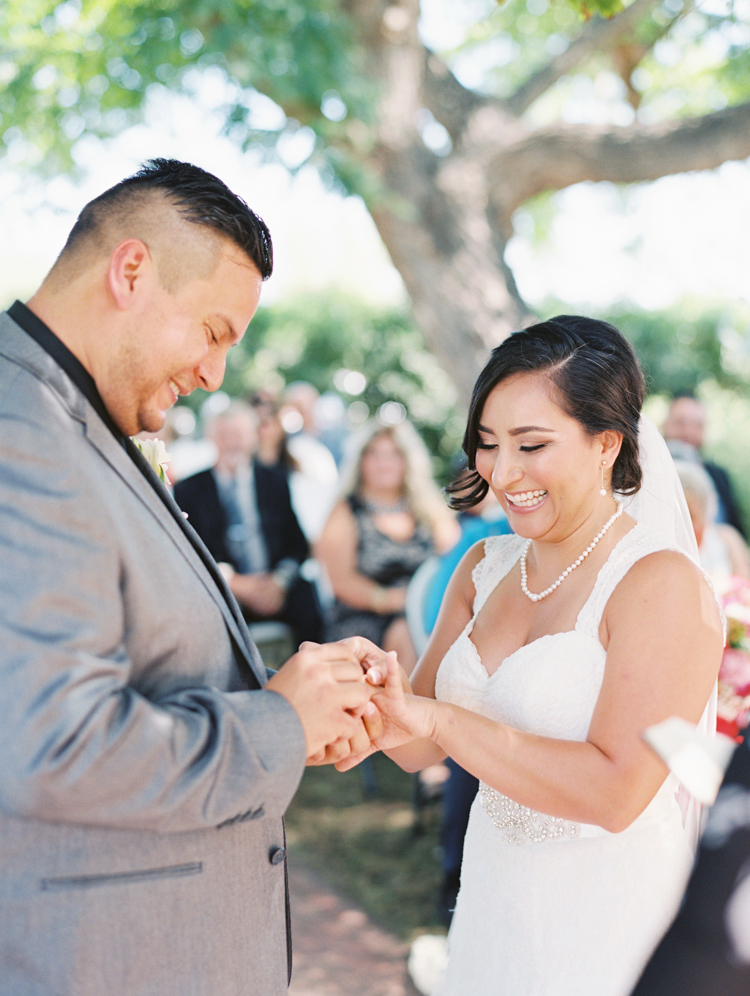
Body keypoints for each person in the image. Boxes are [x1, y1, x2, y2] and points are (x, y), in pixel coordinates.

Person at [0, 158, 382, 996]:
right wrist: (278, 723)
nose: (215, 375)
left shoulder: (70, 415)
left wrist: (300, 707)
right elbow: (55, 749)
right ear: (131, 270)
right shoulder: (20, 431)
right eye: (213, 331)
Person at [355, 316, 723, 996]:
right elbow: (415, 747)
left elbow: (617, 794)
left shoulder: (660, 584)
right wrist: (371, 698)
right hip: (496, 892)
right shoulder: (483, 567)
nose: (503, 471)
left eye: (531, 444)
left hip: (606, 918)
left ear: (607, 442)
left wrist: (440, 723)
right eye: (489, 445)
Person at [174, 403, 325, 647]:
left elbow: (297, 544)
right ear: (211, 438)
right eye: (224, 435)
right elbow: (188, 551)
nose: (232, 443)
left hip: (274, 584)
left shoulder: (274, 480)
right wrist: (236, 584)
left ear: (253, 438)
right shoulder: (189, 490)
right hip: (223, 587)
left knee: (308, 596)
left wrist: (279, 582)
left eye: (239, 435)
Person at [316, 419, 459, 676]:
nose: (384, 462)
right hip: (365, 617)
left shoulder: (428, 509)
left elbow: (456, 559)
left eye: (394, 454)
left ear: (407, 461)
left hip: (425, 612)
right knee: (403, 634)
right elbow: (341, 581)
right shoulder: (346, 512)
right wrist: (391, 600)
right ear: (361, 462)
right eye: (374, 454)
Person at [662, 394, 746, 538]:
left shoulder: (719, 475)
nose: (688, 432)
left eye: (697, 425)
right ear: (665, 425)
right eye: (681, 423)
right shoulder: (645, 472)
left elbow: (737, 529)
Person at [674, 459, 750, 581]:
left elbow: (744, 584)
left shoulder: (727, 537)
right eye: (679, 517)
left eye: (691, 516)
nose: (686, 524)